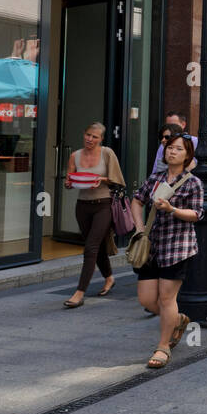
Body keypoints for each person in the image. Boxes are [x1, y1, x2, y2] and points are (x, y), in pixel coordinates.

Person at [130, 132, 203, 369]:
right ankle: (178, 320)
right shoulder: (155, 178)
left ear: (187, 155)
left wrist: (172, 209)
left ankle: (163, 347)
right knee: (147, 299)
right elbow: (137, 200)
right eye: (170, 148)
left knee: (166, 297)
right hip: (151, 246)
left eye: (179, 149)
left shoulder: (193, 182)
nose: (172, 152)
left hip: (177, 247)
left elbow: (196, 214)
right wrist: (140, 228)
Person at [62, 122, 125, 307]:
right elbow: (69, 179)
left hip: (103, 205)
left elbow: (118, 180)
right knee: (95, 247)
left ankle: (79, 293)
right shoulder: (75, 155)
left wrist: (102, 179)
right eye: (88, 135)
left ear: (101, 139)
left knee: (90, 247)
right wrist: (69, 183)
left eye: (95, 136)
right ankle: (109, 277)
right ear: (84, 134)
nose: (90, 139)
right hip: (82, 206)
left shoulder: (107, 153)